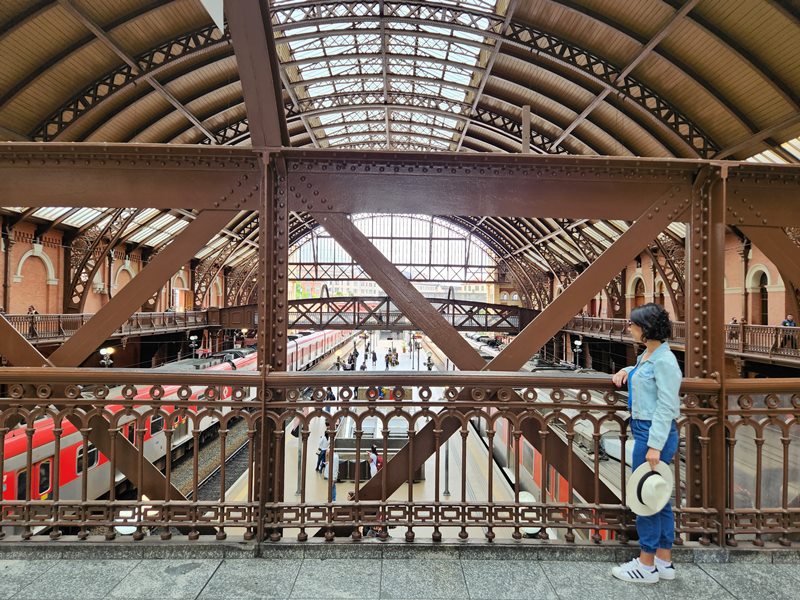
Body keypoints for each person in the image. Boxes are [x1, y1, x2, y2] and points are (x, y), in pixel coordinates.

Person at [611, 303, 681, 584]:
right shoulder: (650, 355)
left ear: (645, 329)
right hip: (649, 430)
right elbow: (644, 372)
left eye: (633, 324)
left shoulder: (665, 361)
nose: (630, 328)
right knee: (659, 496)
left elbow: (667, 405)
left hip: (652, 433)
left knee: (645, 499)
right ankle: (664, 561)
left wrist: (654, 445)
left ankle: (646, 565)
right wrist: (628, 370)